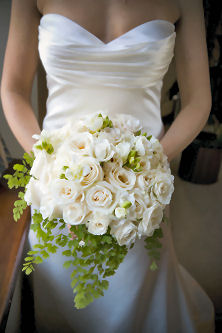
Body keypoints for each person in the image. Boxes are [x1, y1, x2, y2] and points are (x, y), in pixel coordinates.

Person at [1, 0, 215, 332]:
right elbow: (13, 88)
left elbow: (199, 99)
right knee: (61, 288)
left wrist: (151, 166)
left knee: (137, 285)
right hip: (61, 180)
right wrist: (50, 164)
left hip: (141, 184)